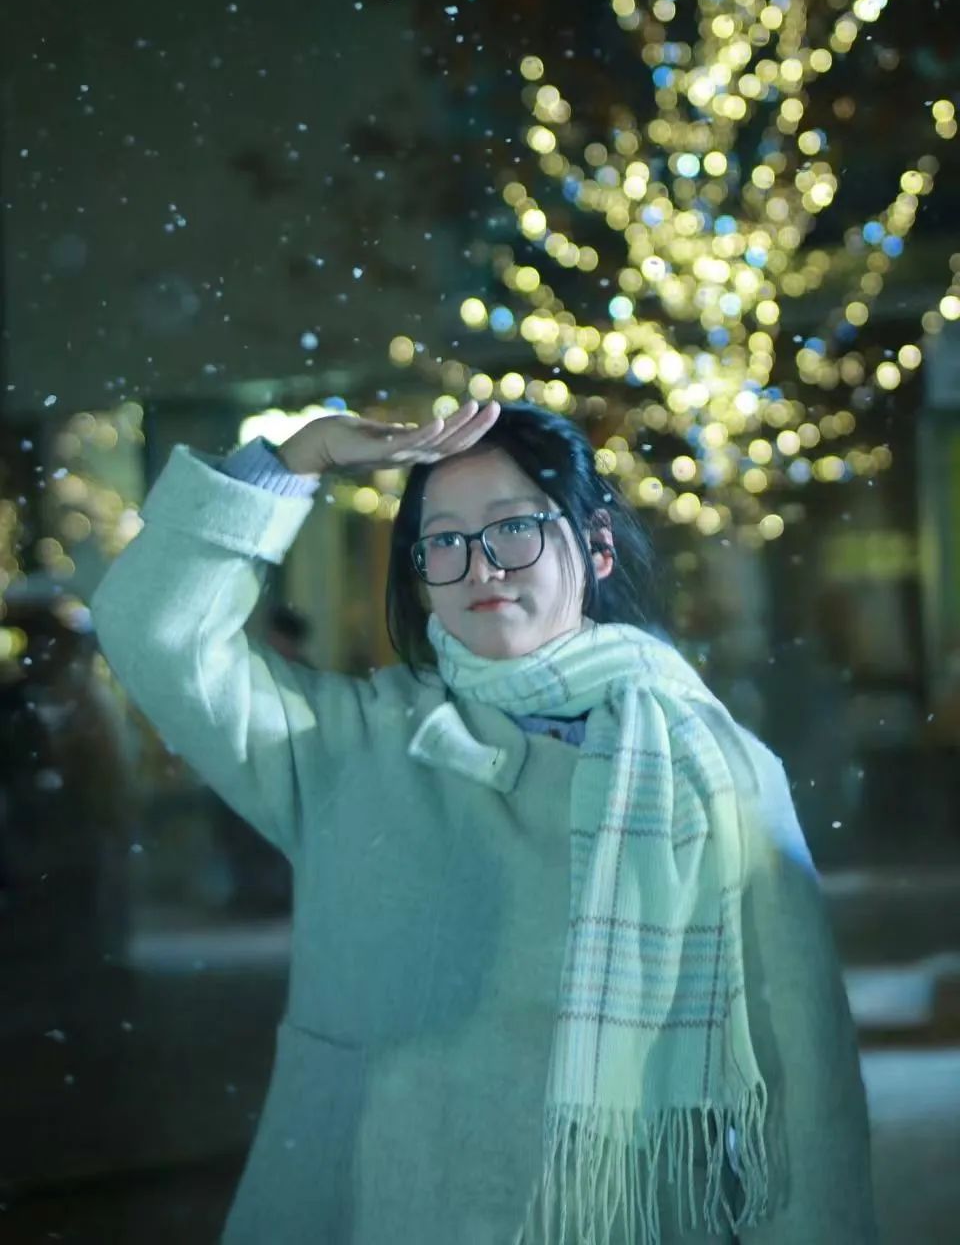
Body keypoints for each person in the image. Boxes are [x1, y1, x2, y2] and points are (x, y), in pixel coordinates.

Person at [89, 399, 877, 1245]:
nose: (481, 567)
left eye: (514, 529)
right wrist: (297, 459)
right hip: (364, 1208)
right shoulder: (345, 744)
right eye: (445, 542)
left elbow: (804, 1085)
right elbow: (152, 630)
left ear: (597, 545)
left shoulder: (714, 773)